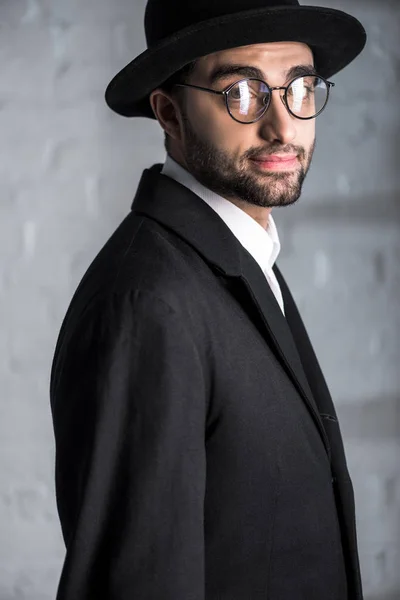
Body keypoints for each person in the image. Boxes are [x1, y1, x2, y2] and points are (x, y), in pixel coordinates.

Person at [49, 0, 367, 598]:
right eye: (242, 93)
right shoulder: (149, 302)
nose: (282, 126)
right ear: (169, 113)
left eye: (299, 88)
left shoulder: (238, 256)